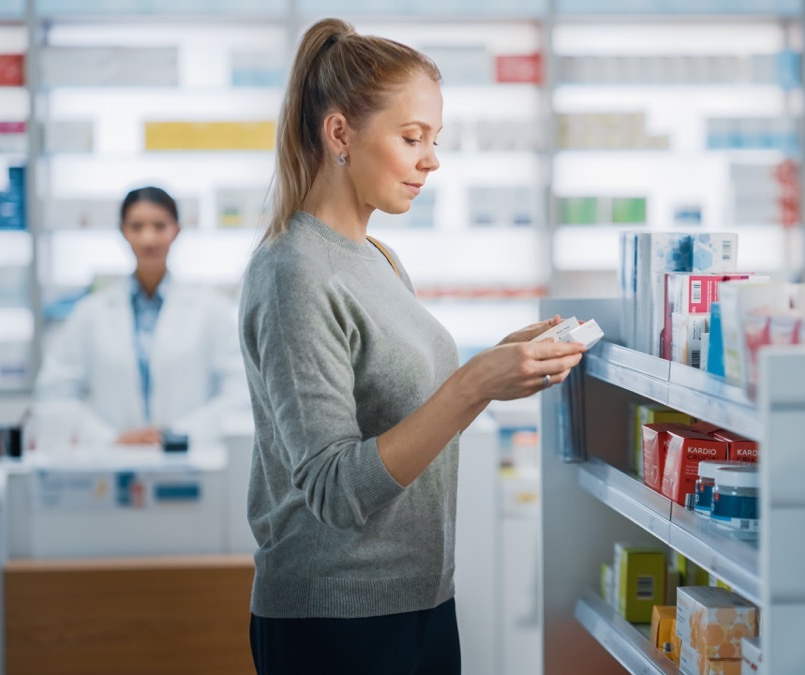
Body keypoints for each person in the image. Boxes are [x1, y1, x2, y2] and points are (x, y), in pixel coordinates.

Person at [241, 18, 585, 675]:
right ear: (340, 133)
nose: (431, 159)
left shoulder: (377, 258)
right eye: (412, 137)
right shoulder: (294, 271)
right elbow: (334, 488)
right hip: (335, 625)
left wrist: (499, 365)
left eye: (435, 139)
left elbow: (404, 422)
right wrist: (474, 383)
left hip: (416, 604)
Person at [34, 186, 248, 447]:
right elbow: (55, 394)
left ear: (176, 231)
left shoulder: (211, 310)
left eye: (159, 226)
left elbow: (240, 393)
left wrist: (177, 435)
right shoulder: (90, 313)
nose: (149, 238)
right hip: (111, 461)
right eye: (137, 227)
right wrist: (108, 438)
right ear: (123, 231)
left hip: (190, 461)